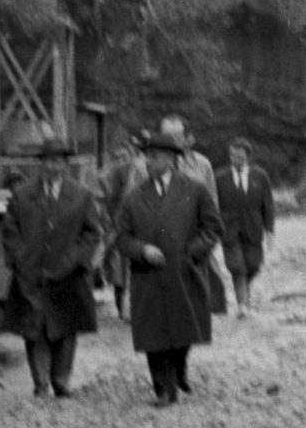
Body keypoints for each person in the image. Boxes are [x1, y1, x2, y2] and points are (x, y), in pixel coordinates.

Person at [115, 131, 222, 407]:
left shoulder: (195, 190)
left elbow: (213, 227)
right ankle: (164, 389)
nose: (150, 163)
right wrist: (142, 250)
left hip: (184, 271)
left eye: (157, 157)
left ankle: (179, 368)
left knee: (183, 327)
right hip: (147, 275)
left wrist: (192, 253)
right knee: (153, 333)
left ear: (173, 160)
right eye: (147, 157)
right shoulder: (134, 198)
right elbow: (122, 237)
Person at [2, 135, 106, 398]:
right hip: (31, 274)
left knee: (65, 327)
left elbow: (92, 234)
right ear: (41, 163)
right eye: (47, 161)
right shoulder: (22, 195)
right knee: (34, 328)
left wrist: (76, 260)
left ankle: (61, 380)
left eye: (58, 161)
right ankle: (40, 381)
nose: (52, 167)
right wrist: (20, 259)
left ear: (65, 164)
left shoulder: (81, 196)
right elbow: (10, 231)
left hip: (68, 274)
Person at [157, 114, 231, 317]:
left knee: (198, 270)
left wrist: (210, 230)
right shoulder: (152, 164)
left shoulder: (202, 165)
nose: (172, 141)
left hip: (194, 228)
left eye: (177, 136)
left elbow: (212, 199)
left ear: (187, 138)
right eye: (167, 136)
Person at [215, 137, 276, 318]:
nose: (236, 160)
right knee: (236, 266)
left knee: (254, 265)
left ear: (248, 157)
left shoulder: (260, 175)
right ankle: (242, 304)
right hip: (229, 228)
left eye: (240, 157)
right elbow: (213, 204)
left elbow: (268, 205)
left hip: (254, 228)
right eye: (232, 156)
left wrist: (270, 230)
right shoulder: (220, 176)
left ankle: (245, 292)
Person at [98, 133, 148, 319]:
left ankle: (136, 307)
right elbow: (109, 192)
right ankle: (124, 308)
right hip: (122, 222)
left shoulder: (145, 167)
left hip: (141, 222)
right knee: (120, 266)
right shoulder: (120, 170)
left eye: (136, 149)